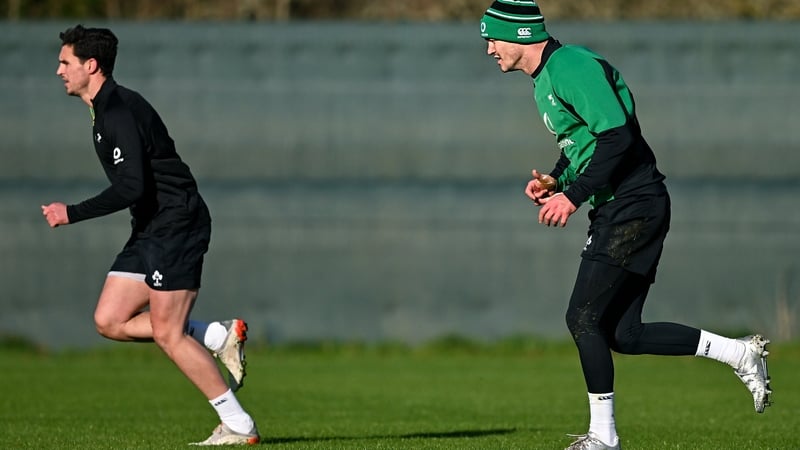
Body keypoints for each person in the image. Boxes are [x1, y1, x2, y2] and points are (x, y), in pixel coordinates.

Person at [479, 2, 772, 449]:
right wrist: (557, 178)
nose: (488, 49)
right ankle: (739, 352)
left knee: (582, 317)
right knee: (623, 333)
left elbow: (618, 136)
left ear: (519, 35)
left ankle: (604, 438)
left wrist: (572, 197)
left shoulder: (571, 65)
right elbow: (585, 142)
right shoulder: (546, 80)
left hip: (632, 205)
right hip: (623, 205)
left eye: (492, 37)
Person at [43, 25, 259, 446]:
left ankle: (239, 425)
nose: (58, 71)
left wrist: (72, 213)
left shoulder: (119, 111)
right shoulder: (104, 110)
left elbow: (132, 187)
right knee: (109, 319)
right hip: (151, 227)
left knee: (168, 333)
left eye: (65, 62)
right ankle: (218, 335)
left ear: (91, 65)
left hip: (177, 223)